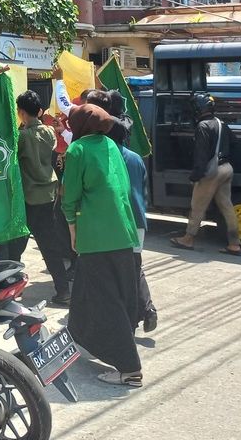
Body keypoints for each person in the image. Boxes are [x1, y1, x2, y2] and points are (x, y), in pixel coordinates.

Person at [60, 104, 143, 387]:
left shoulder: (77, 150)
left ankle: (129, 368)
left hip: (96, 235)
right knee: (88, 292)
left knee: (106, 302)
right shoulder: (110, 144)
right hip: (123, 231)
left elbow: (69, 195)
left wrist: (72, 228)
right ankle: (78, 338)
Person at [85, 89, 156, 332]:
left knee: (122, 275)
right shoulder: (135, 158)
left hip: (119, 224)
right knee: (134, 267)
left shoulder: (108, 158)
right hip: (139, 222)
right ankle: (146, 308)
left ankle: (131, 321)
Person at [4, 90, 72, 307]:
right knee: (50, 246)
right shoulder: (49, 132)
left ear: (21, 112)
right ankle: (63, 290)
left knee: (15, 247)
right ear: (40, 111)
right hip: (48, 195)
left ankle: (12, 291)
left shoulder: (22, 137)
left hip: (28, 198)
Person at [170, 93, 241, 254]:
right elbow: (235, 142)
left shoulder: (203, 126)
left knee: (197, 206)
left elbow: (201, 156)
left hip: (211, 172)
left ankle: (188, 239)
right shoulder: (221, 123)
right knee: (227, 207)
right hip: (227, 168)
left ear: (199, 109)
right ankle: (235, 243)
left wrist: (195, 176)